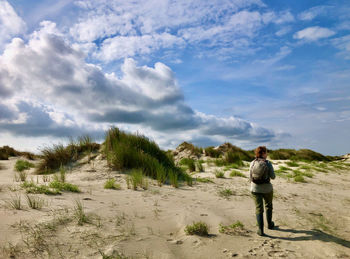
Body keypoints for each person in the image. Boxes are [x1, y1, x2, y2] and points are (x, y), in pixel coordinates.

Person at [250, 146, 275, 236]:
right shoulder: (268, 163)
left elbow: (250, 176)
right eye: (266, 152)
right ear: (263, 153)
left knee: (259, 209)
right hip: (267, 189)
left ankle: (260, 230)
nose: (267, 154)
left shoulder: (252, 163)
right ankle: (270, 225)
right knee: (268, 206)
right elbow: (273, 177)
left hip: (255, 189)